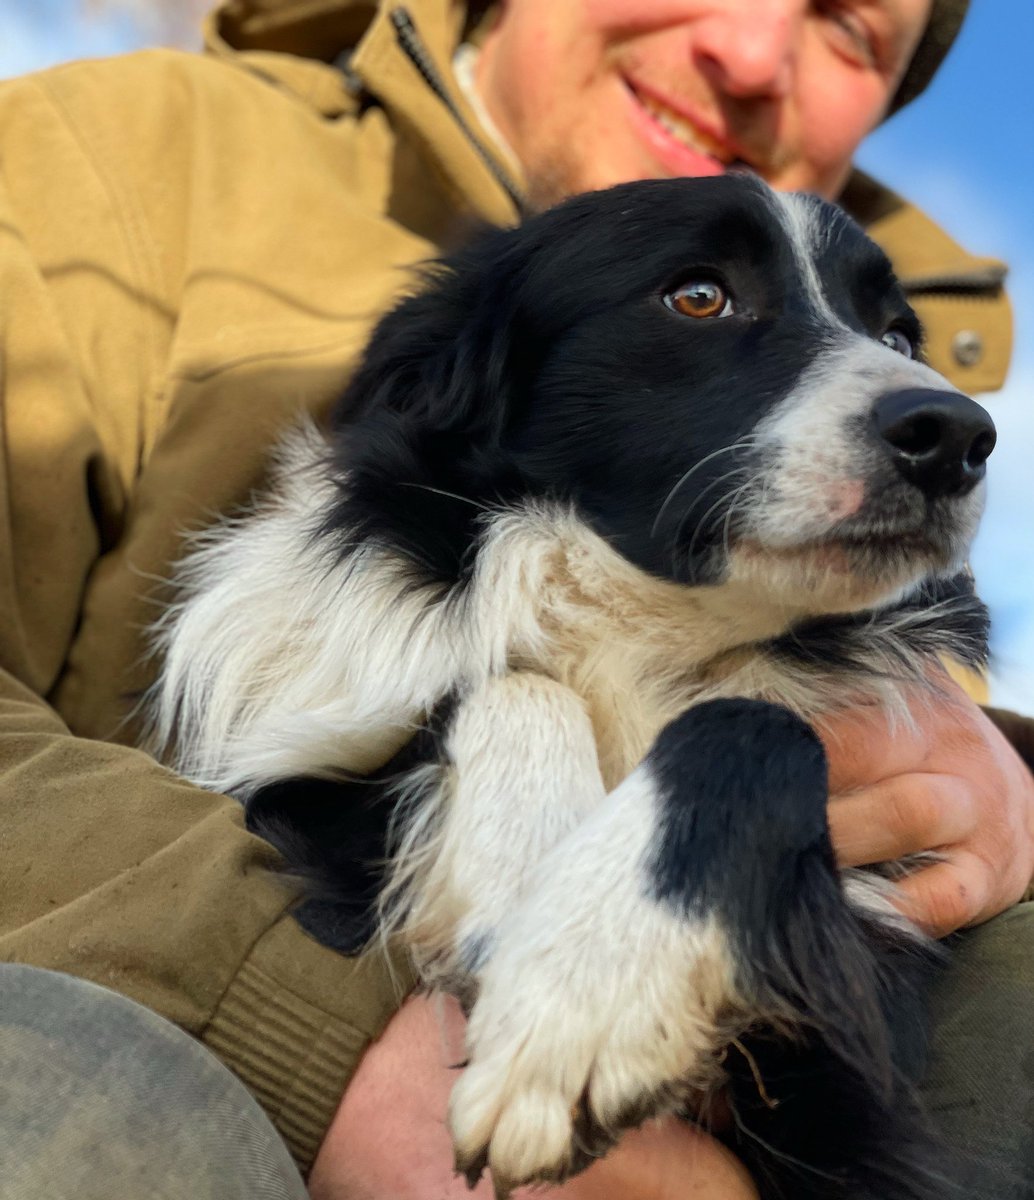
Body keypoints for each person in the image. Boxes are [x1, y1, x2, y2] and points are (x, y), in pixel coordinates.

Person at [0, 1, 1032, 1197]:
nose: (749, 54)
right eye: (698, 295)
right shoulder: (128, 158)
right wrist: (335, 1052)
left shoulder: (891, 379)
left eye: (848, 28)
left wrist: (997, 784)